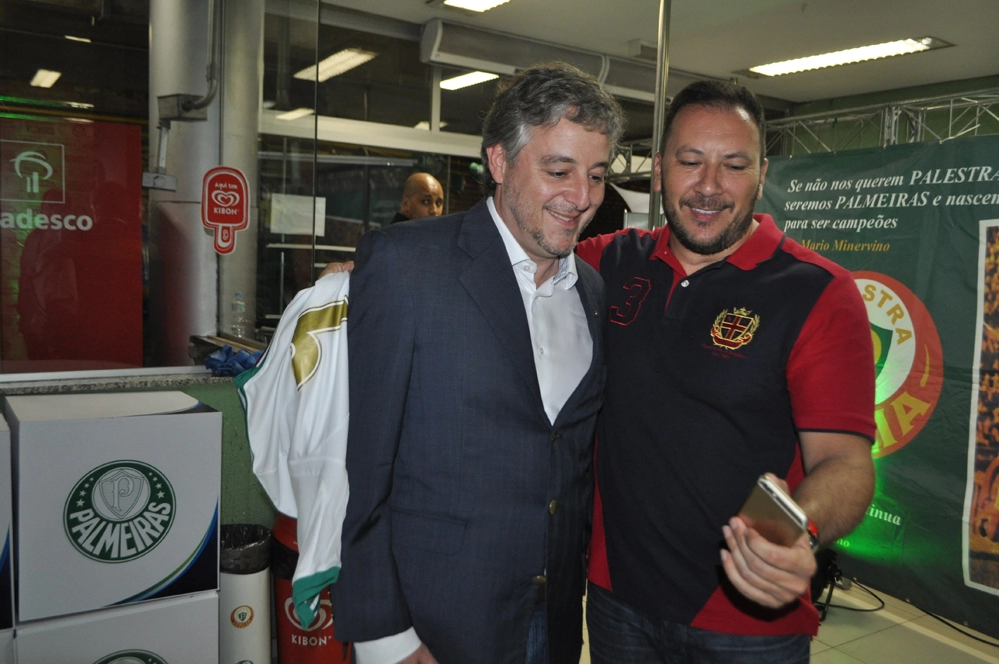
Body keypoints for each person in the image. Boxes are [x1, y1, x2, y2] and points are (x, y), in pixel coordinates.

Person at [575, 80, 876, 663]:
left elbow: (844, 463)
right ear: (659, 169)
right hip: (616, 605)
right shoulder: (609, 261)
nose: (708, 186)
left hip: (746, 625)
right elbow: (513, 250)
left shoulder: (817, 291)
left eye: (732, 165)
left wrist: (794, 531)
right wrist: (367, 269)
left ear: (761, 173)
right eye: (690, 162)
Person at [333, 62, 625, 664]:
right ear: (498, 162)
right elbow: (362, 465)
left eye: (596, 175)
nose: (582, 198)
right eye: (558, 171)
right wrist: (388, 638)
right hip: (432, 625)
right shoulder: (405, 267)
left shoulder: (592, 293)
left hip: (555, 621)